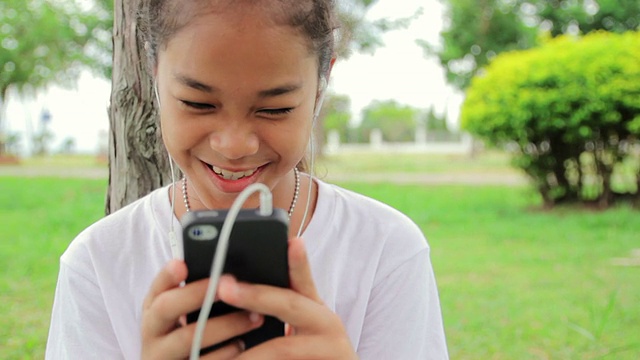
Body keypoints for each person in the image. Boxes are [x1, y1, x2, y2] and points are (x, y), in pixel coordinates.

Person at [46, 0, 448, 358]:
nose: (234, 145)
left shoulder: (386, 251)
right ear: (154, 68)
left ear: (322, 81)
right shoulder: (98, 263)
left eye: (275, 109)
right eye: (197, 103)